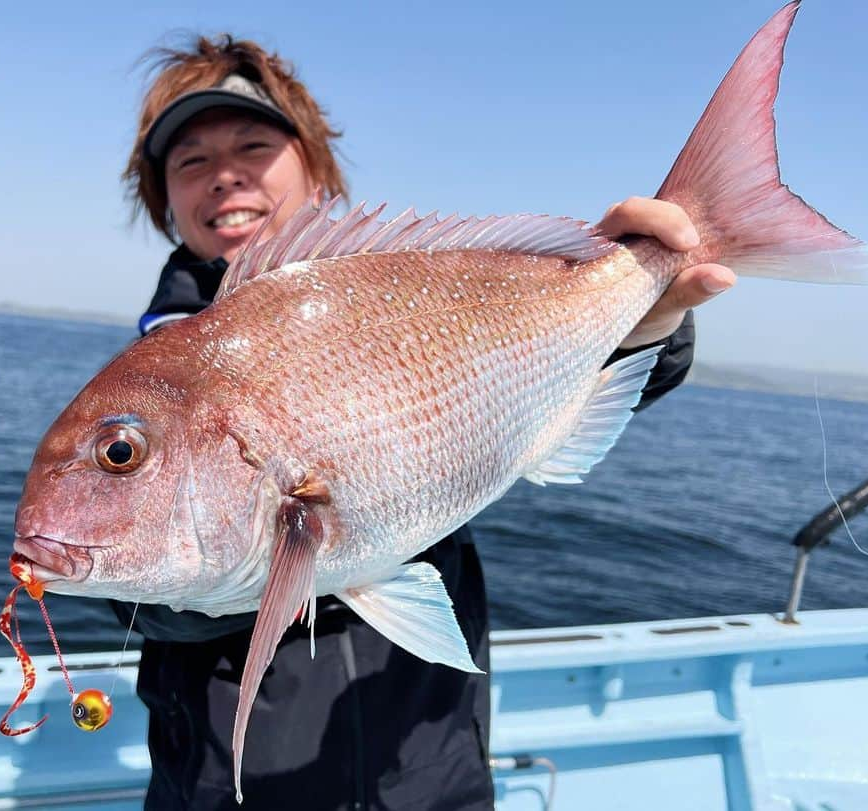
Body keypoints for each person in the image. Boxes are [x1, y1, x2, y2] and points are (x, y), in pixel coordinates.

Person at [111, 35, 734, 811]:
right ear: (162, 196)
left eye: (253, 144)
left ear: (315, 168)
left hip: (429, 771)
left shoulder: (398, 287)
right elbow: (127, 591)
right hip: (228, 787)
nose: (225, 174)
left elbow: (539, 382)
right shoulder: (147, 382)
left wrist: (644, 318)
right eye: (190, 160)